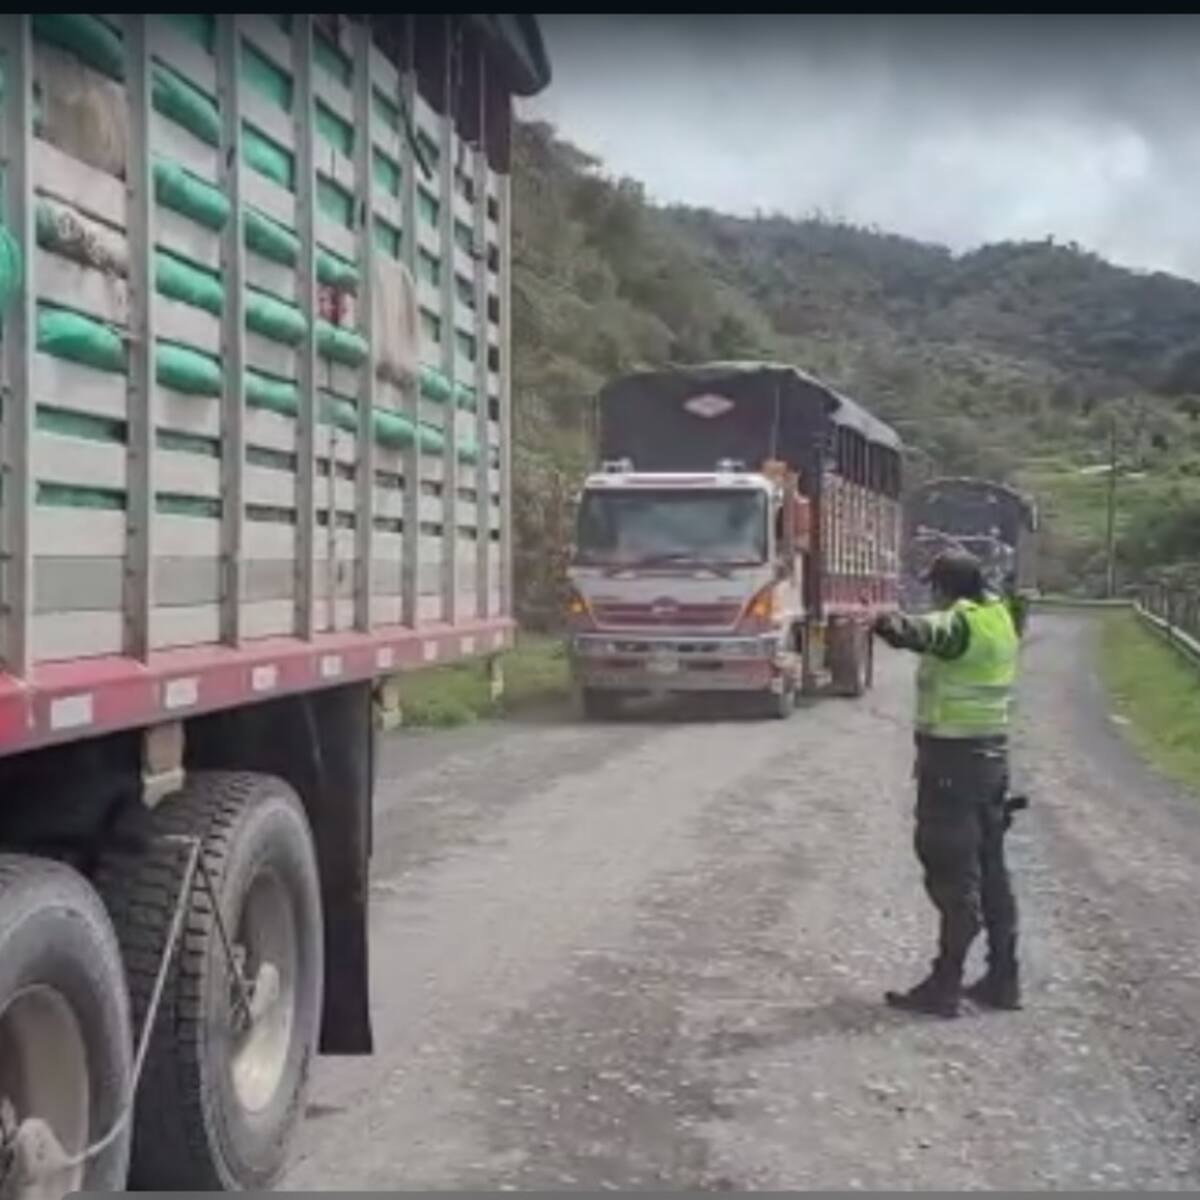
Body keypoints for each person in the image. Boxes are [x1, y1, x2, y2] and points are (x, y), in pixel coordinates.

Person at [872, 548, 1022, 1018]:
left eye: (934, 588)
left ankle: (945, 985)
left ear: (944, 588)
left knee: (952, 872)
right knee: (992, 870)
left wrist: (884, 621)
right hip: (991, 761)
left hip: (951, 765)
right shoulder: (1000, 618)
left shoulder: (960, 623)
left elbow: (924, 632)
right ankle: (1003, 979)